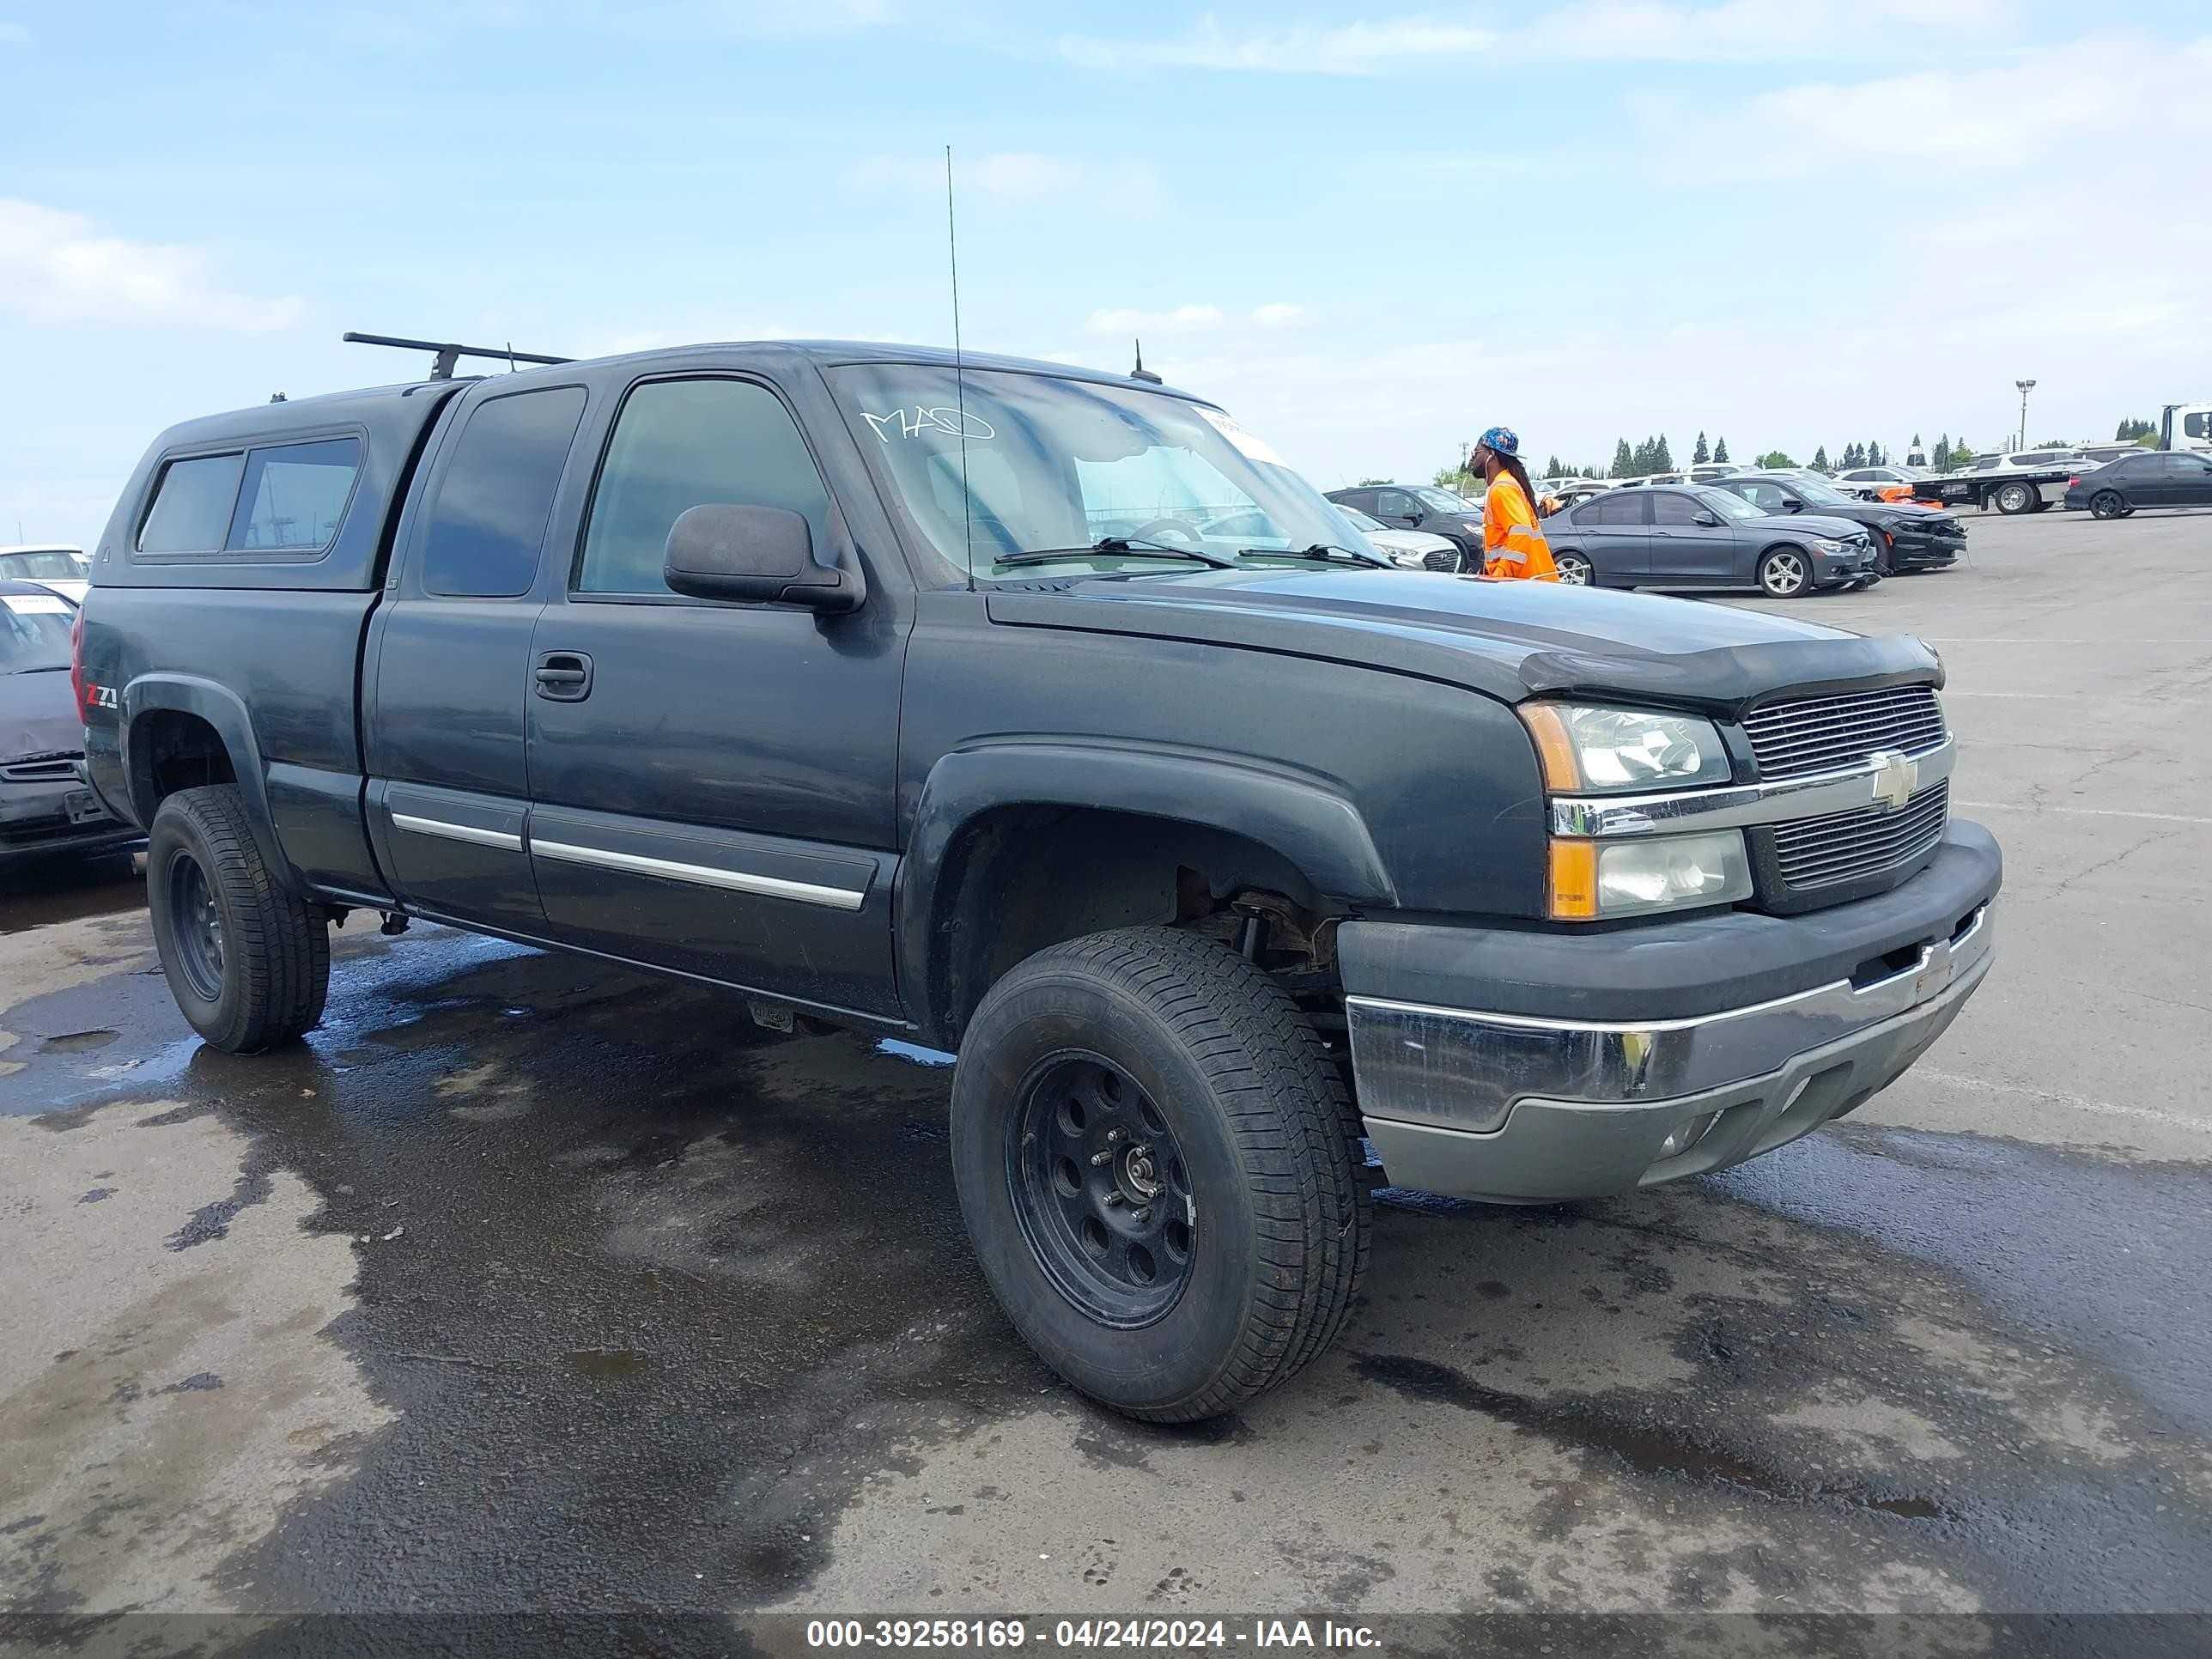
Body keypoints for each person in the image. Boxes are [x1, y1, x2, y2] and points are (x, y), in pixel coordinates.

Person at [1471, 426, 1559, 581]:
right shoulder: (1506, 484)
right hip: (1533, 581)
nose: (1472, 459)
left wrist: (1500, 573)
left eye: (1476, 452)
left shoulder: (1502, 488)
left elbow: (1521, 533)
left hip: (1526, 584)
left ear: (1491, 454)